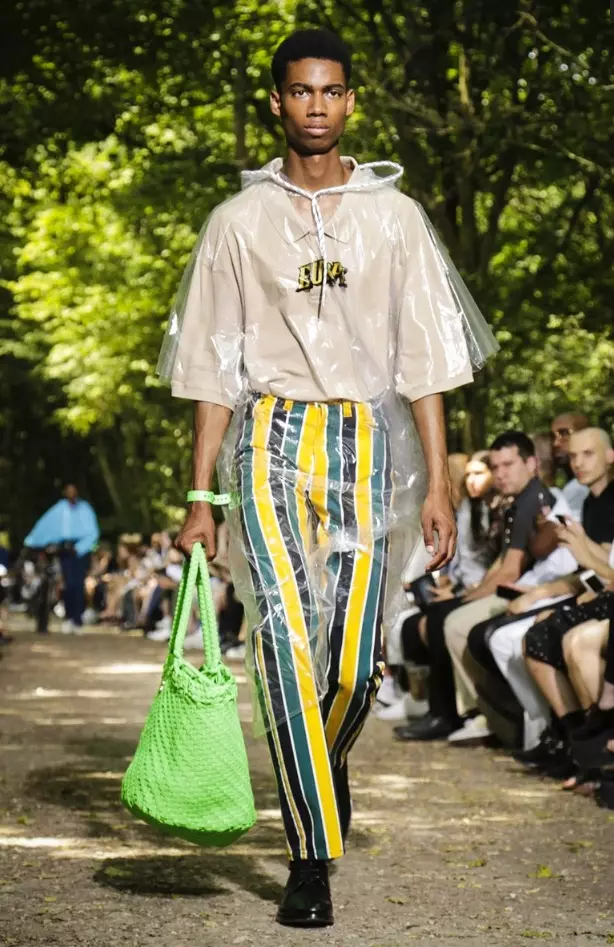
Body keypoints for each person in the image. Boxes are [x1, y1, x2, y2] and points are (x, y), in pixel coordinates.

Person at [159, 29, 497, 928]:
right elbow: (212, 368)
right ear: (277, 101)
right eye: (299, 91)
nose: (316, 105)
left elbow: (425, 360)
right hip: (267, 437)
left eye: (331, 91)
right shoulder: (236, 223)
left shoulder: (398, 218)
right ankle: (309, 857)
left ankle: (321, 749)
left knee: (349, 658)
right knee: (280, 634)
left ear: (351, 103)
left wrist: (435, 480)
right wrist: (199, 497)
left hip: (362, 442)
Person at [24, 484, 99, 633]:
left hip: (80, 552)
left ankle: (77, 620)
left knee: (78, 585)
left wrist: (79, 548)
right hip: (64, 551)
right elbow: (46, 526)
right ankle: (70, 617)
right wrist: (33, 541)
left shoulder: (85, 509)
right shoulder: (60, 509)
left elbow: (92, 532)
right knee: (68, 585)